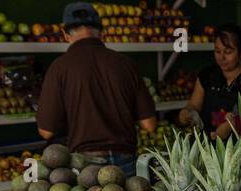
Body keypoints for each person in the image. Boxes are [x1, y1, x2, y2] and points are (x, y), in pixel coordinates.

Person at [36, 2, 157, 176]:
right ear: (103, 32)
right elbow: (149, 124)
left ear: (64, 34)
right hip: (126, 161)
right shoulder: (125, 63)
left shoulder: (59, 68)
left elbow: (46, 132)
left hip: (85, 166)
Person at [178, 24, 241, 140]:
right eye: (217, 51)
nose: (221, 57)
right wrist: (186, 113)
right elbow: (194, 104)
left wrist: (233, 125)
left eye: (228, 52)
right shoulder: (206, 75)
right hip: (208, 144)